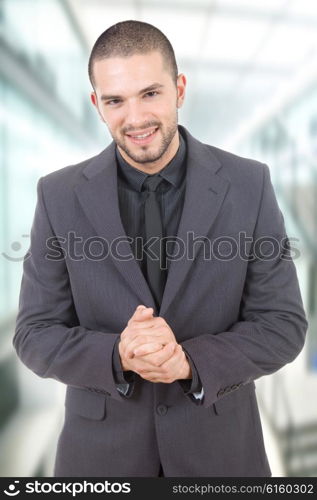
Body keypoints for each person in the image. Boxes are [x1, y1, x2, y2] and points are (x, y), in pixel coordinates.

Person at [13, 20, 308, 477]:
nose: (135, 119)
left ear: (179, 88)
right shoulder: (58, 194)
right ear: (97, 104)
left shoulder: (249, 184)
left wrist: (189, 362)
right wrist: (117, 355)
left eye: (150, 93)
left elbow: (283, 325)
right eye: (115, 100)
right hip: (101, 462)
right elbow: (34, 333)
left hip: (221, 457)